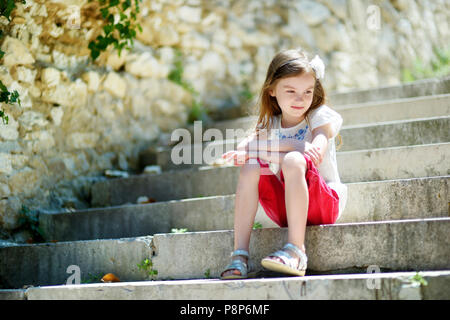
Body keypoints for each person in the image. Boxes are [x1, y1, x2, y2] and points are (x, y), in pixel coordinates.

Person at [220, 48, 347, 279]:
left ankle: (297, 251)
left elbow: (314, 153)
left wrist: (275, 150)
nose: (300, 99)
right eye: (290, 91)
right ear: (272, 90)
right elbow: (243, 150)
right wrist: (292, 145)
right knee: (251, 166)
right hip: (286, 210)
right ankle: (239, 255)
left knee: (292, 160)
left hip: (324, 203)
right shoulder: (270, 124)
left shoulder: (319, 117)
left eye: (307, 91)